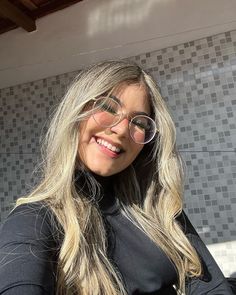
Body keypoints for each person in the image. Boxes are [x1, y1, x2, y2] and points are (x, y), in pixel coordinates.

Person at [0, 60, 233, 295]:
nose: (121, 129)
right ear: (77, 111)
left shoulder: (156, 206)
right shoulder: (33, 220)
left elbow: (211, 286)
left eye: (139, 122)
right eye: (108, 108)